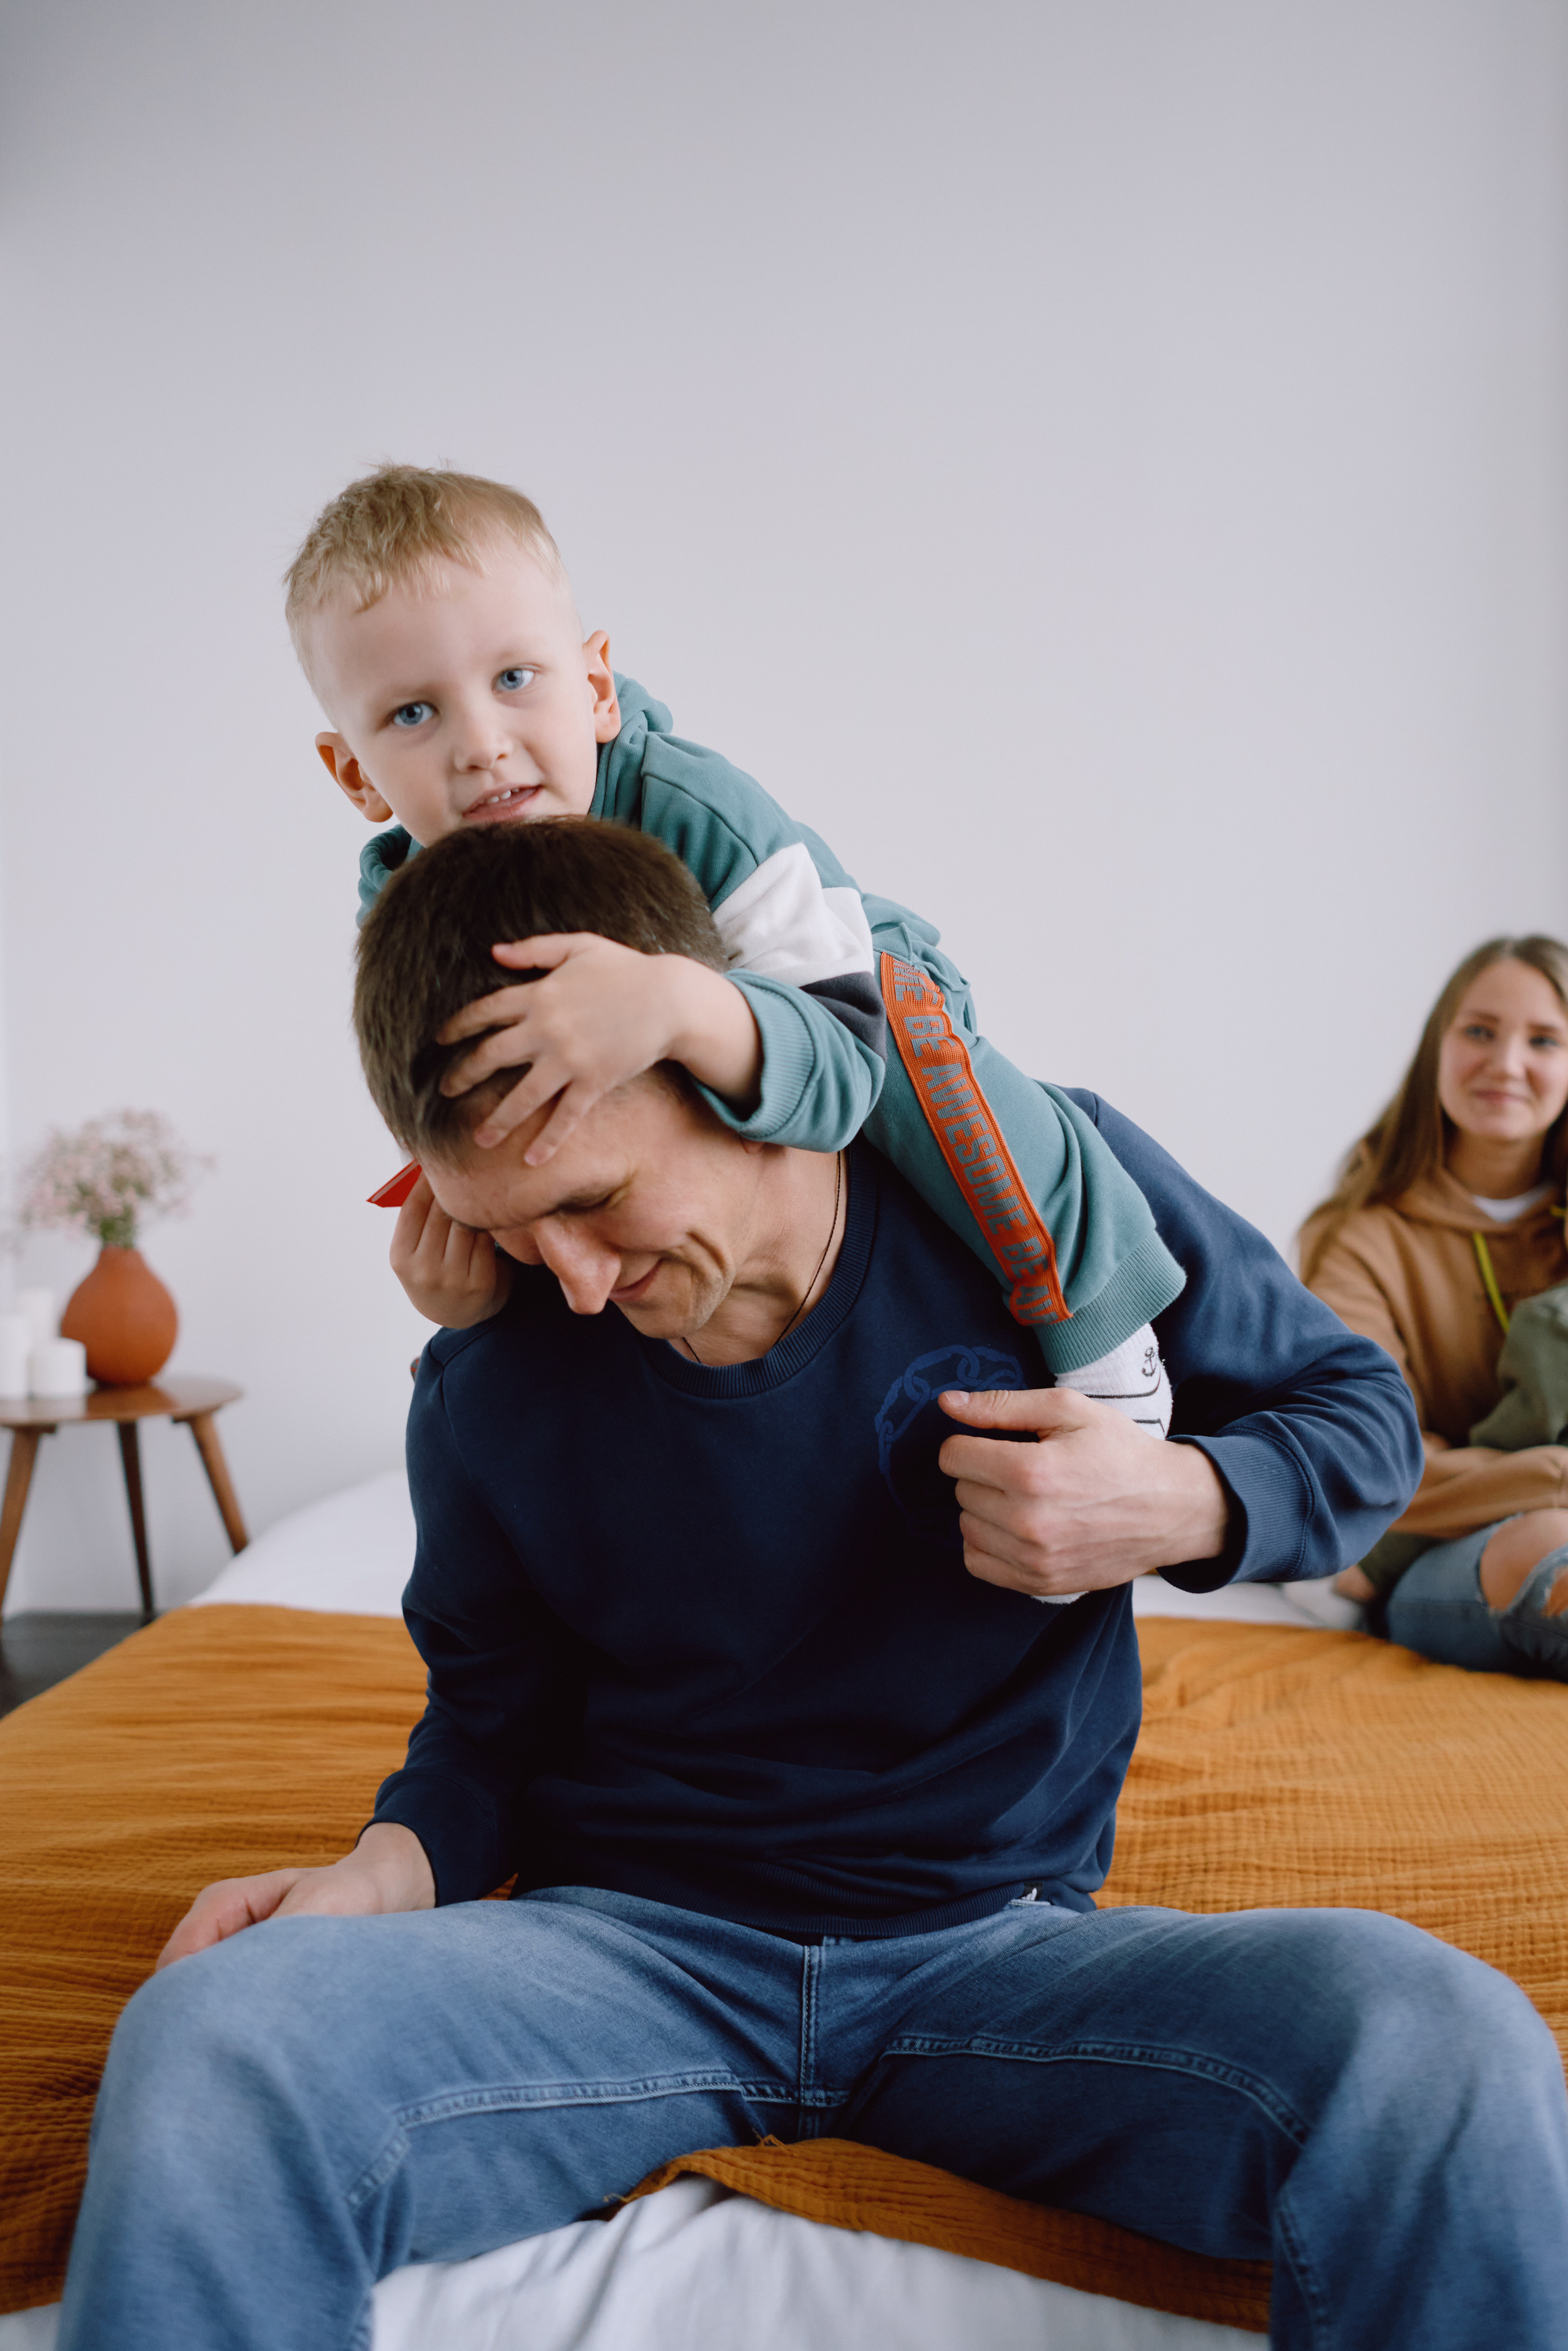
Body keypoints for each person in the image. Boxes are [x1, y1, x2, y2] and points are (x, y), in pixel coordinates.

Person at [58, 824, 1568, 2351]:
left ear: (733, 1071)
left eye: (593, 1201)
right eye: (513, 1230)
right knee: (209, 2039)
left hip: (1004, 1950)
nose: (570, 1277)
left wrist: (1168, 1500)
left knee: (1437, 2039)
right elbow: (486, 1726)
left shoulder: (1027, 1187)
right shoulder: (496, 1364)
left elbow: (1355, 1415)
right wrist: (372, 1878)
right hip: (623, 1955)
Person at [286, 464, 1183, 1447]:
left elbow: (847, 1062)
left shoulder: (699, 808)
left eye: (513, 679)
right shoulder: (403, 898)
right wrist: (453, 1252)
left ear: (592, 686)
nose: (483, 744)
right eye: (414, 713)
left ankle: (1101, 1318)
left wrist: (679, 1004)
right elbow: (466, 1109)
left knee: (931, 1085)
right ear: (353, 774)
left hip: (844, 989)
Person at [1302, 935, 1568, 1677]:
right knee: (1545, 1544)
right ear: (1437, 1049)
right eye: (1479, 1030)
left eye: (1544, 1039)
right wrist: (1552, 1478)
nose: (1506, 1063)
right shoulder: (1357, 1240)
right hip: (1431, 1553)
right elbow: (1367, 1464)